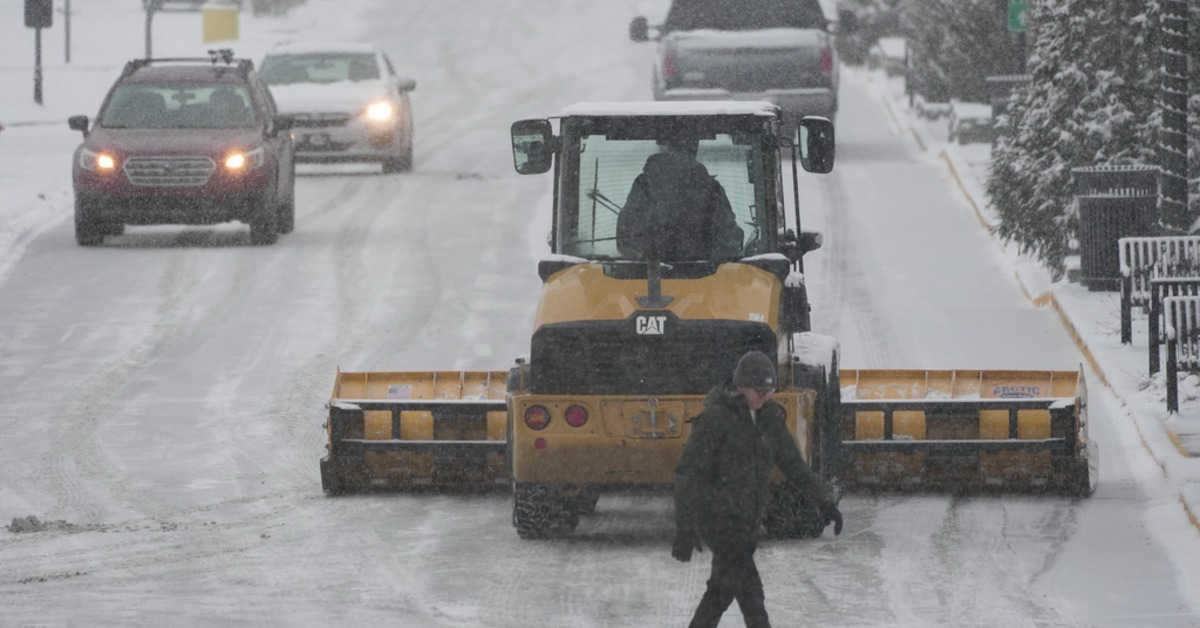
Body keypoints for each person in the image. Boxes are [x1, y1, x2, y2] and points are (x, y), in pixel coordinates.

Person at [673, 349, 843, 628]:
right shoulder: (714, 420)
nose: (766, 397)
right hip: (718, 519)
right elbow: (688, 474)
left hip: (748, 520)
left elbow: (793, 464)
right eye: (760, 390)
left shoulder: (769, 420)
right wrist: (685, 527)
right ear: (740, 387)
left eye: (770, 390)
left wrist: (825, 503)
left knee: (724, 591)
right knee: (748, 596)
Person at [615, 135, 744, 261]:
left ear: (666, 146)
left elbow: (627, 239)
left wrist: (653, 257)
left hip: (647, 277)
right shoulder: (711, 189)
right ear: (694, 148)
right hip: (705, 278)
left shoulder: (643, 185)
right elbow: (729, 242)